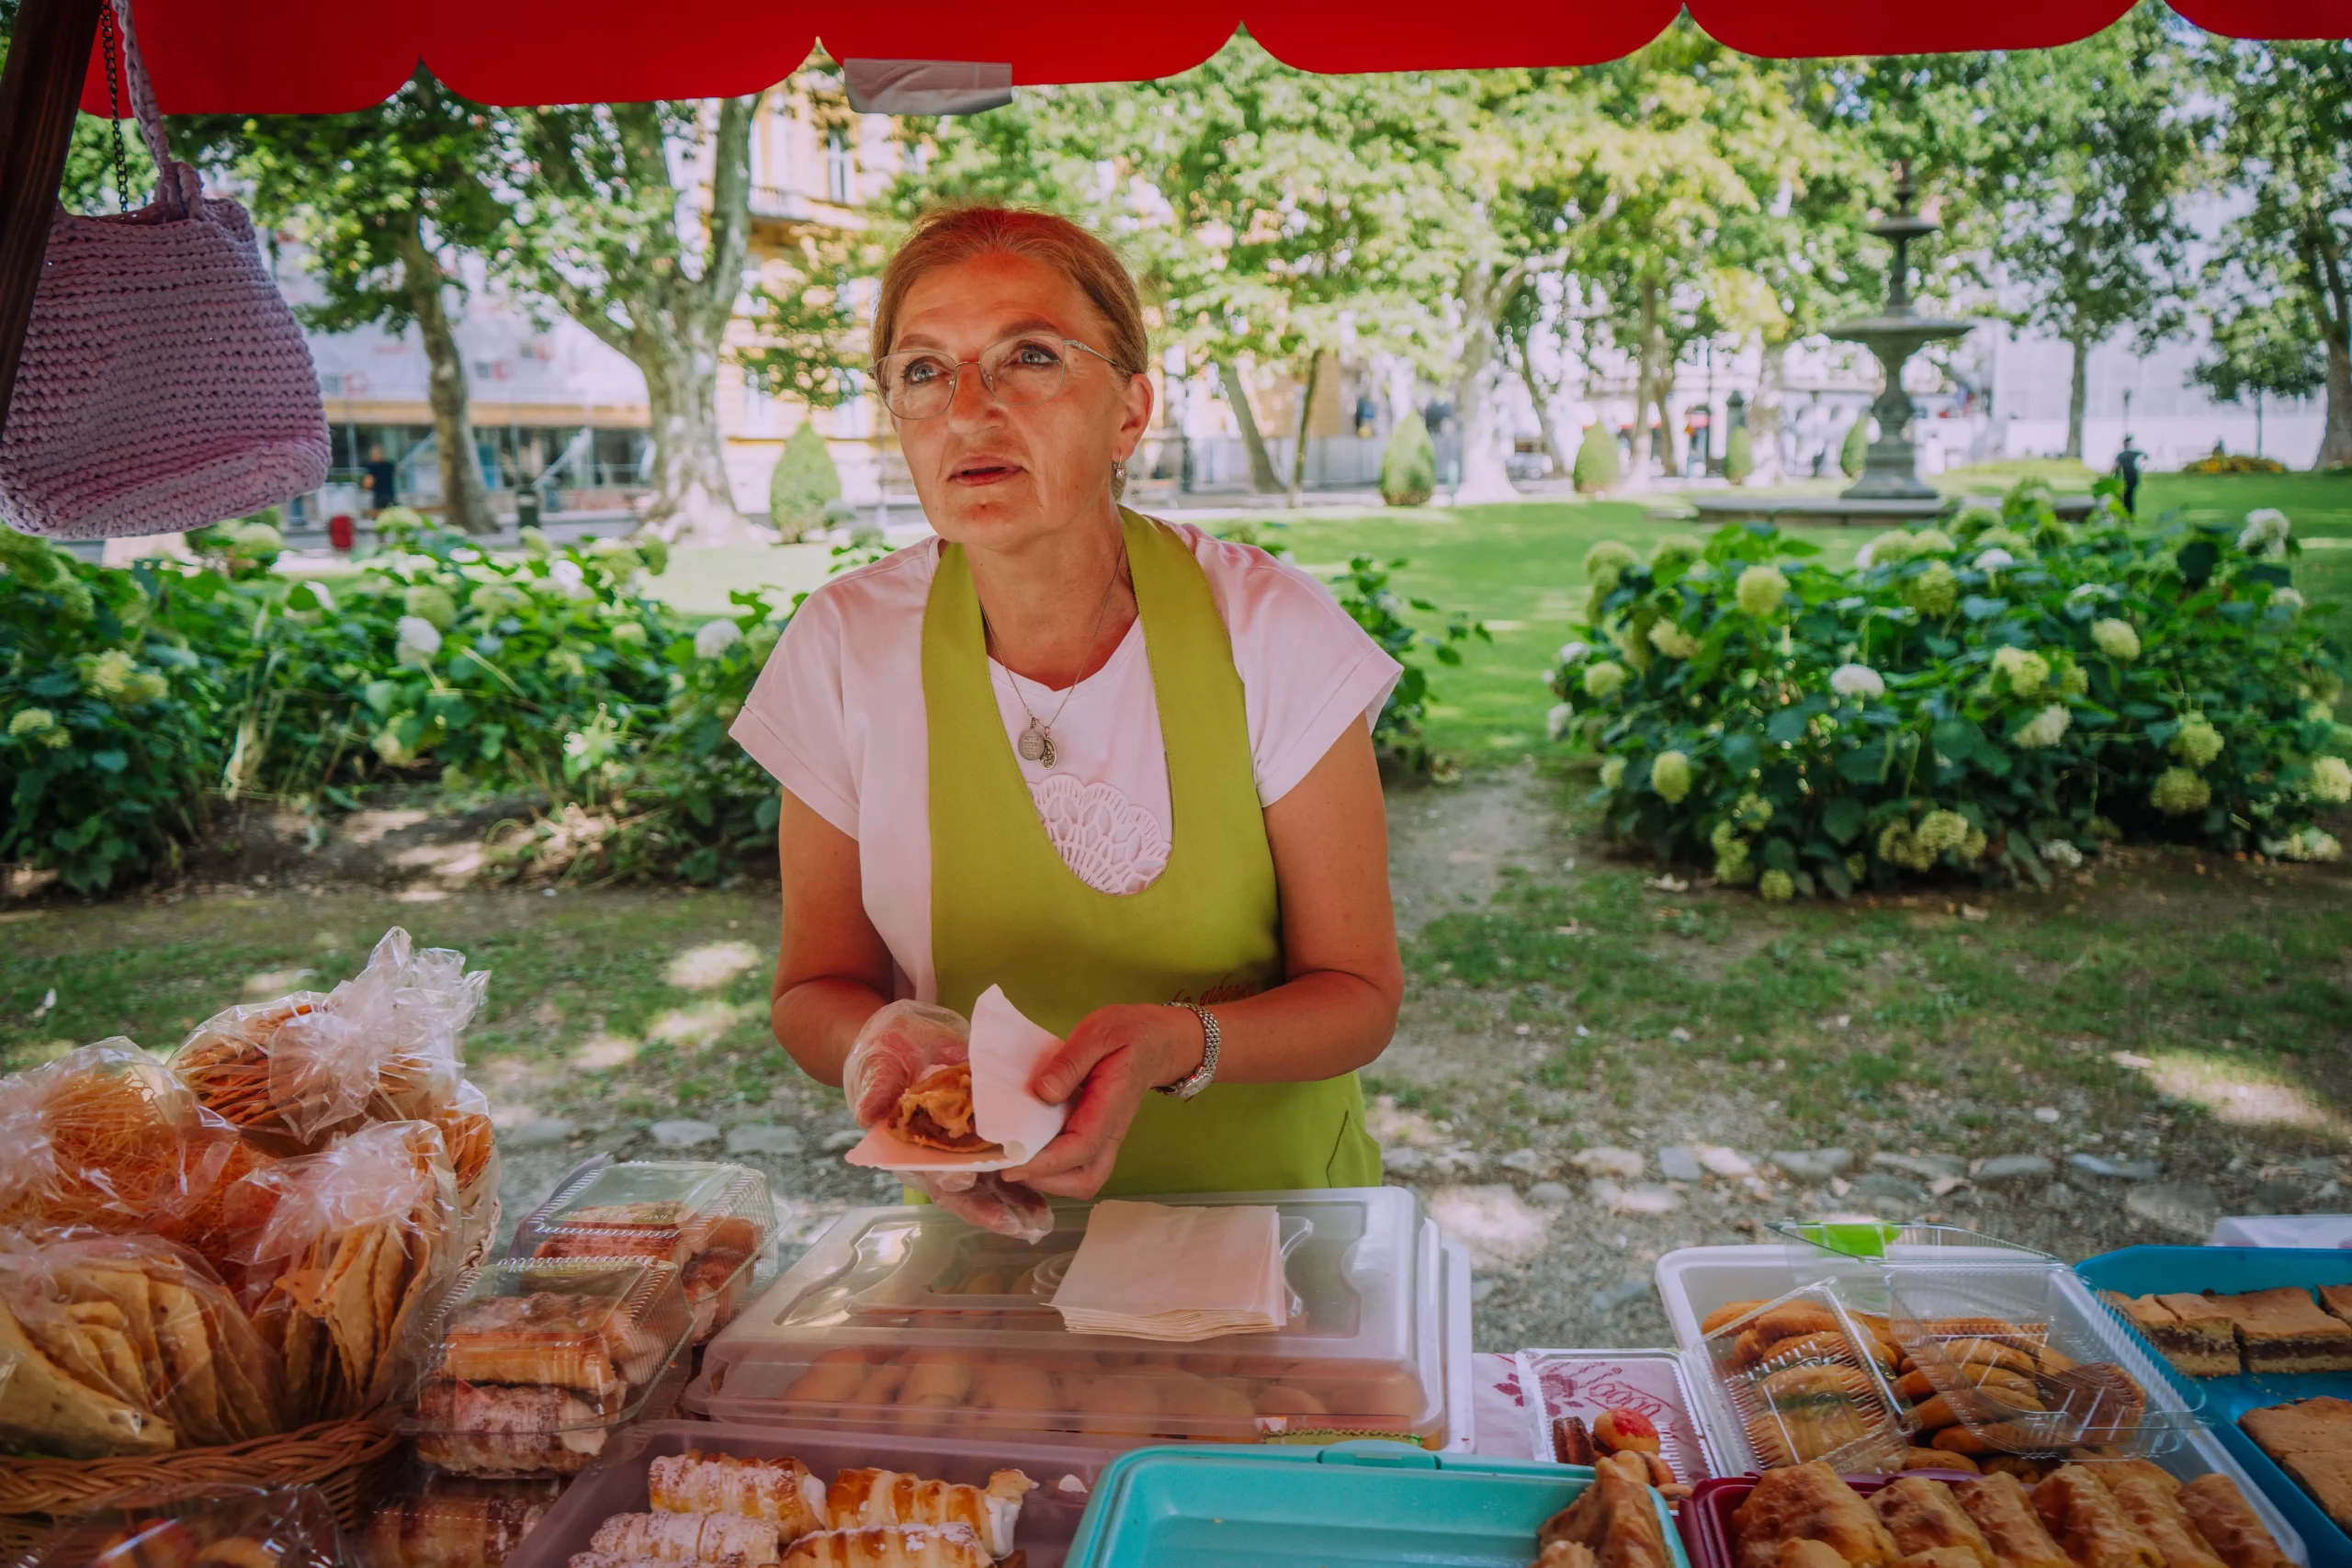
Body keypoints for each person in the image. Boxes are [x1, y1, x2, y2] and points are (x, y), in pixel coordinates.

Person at [732, 207, 1403, 1235]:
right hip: (984, 1242)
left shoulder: (1269, 630)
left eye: (1029, 357)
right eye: (921, 371)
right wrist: (880, 1047)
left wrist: (1175, 1043)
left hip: (1272, 1233)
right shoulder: (845, 646)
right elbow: (815, 984)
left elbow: (1356, 993)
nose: (968, 409)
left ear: (1130, 413)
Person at [363, 444, 398, 514]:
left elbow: (369, 482)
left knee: (379, 516)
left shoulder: (372, 466)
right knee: (391, 515)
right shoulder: (390, 464)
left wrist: (365, 489)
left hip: (379, 496)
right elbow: (396, 471)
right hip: (390, 494)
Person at [2113, 436, 2143, 515]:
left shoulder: (2122, 455)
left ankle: (2126, 515)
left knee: (2125, 498)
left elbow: (2116, 466)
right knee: (2129, 498)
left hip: (2125, 480)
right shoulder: (2134, 453)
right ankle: (2129, 514)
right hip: (2132, 479)